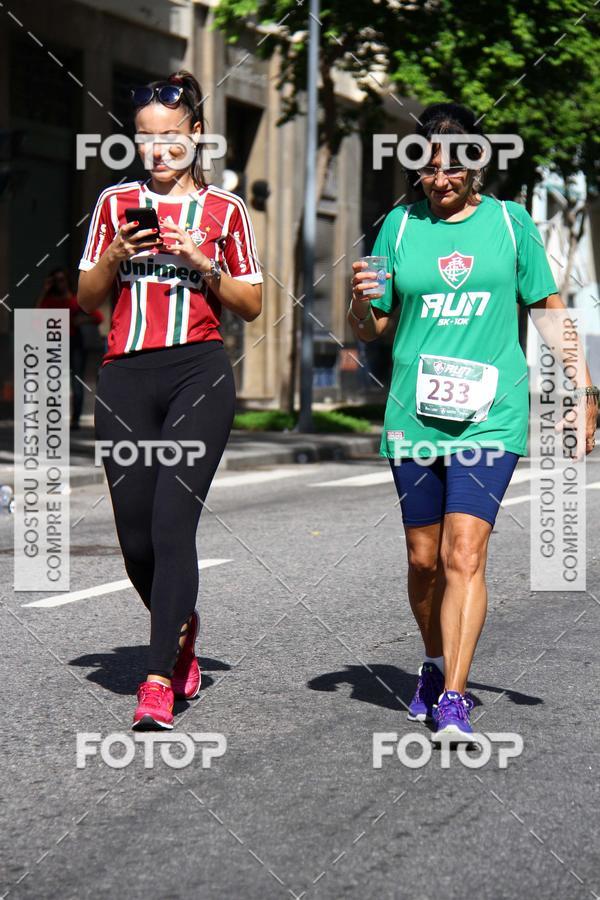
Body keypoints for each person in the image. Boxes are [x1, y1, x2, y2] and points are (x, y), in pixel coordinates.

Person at [349, 103, 598, 743]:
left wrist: (585, 389)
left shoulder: (511, 225)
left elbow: (546, 311)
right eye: (429, 166)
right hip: (414, 414)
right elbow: (373, 327)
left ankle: (454, 695)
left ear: (478, 163)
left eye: (455, 163)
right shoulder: (398, 230)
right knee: (424, 559)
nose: (442, 177)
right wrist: (358, 301)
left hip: (493, 413)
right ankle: (432, 663)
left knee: (466, 552)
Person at [77, 70, 263, 730]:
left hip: (198, 374)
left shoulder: (225, 212)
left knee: (170, 521)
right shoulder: (111, 205)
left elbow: (252, 303)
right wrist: (115, 255)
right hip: (125, 375)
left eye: (170, 139)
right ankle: (179, 623)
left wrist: (203, 266)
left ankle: (158, 679)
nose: (156, 152)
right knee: (133, 536)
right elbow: (89, 297)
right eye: (144, 139)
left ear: (196, 136)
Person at [37, 268, 104, 430]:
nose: (59, 284)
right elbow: (37, 316)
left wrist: (81, 320)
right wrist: (44, 291)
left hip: (75, 343)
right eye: (55, 280)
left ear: (67, 281)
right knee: (53, 382)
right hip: (54, 343)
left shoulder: (75, 300)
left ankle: (75, 419)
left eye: (61, 280)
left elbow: (98, 316)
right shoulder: (49, 301)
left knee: (77, 381)